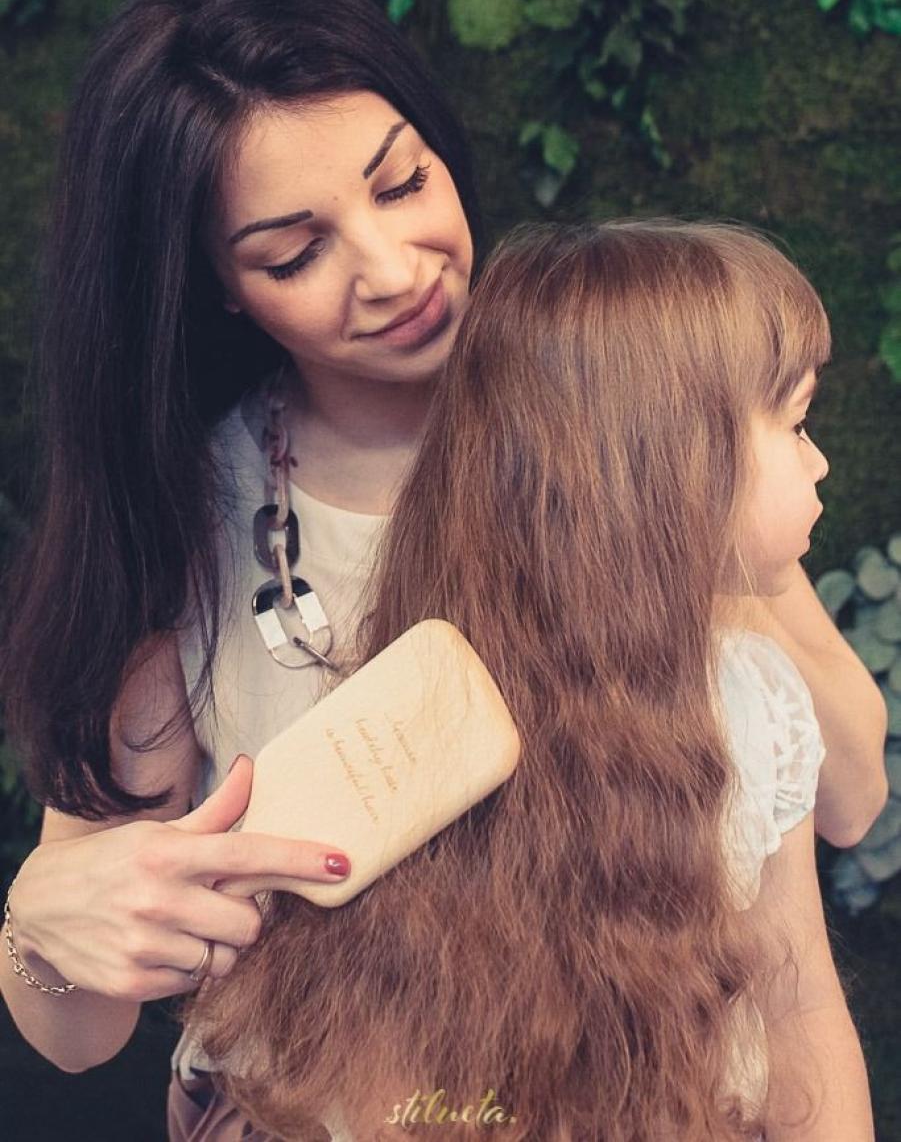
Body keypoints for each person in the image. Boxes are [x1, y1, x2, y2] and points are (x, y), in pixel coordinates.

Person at [0, 0, 885, 1133]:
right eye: (295, 251)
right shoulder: (183, 523)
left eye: (402, 182)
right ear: (210, 285)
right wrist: (45, 919)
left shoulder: (613, 408)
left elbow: (839, 806)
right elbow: (75, 1030)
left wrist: (729, 556)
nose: (393, 269)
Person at [184, 221, 878, 1141]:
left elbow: (803, 1009)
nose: (819, 459)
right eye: (794, 424)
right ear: (667, 463)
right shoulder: (433, 712)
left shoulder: (755, 696)